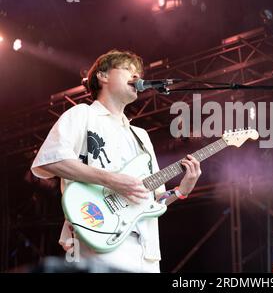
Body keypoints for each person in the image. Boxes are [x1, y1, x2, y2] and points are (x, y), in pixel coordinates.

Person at [30, 49, 202, 272]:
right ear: (103, 76)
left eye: (138, 73)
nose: (136, 77)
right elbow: (49, 161)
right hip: (97, 237)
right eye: (128, 70)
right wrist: (112, 180)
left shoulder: (141, 136)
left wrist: (180, 191)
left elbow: (154, 201)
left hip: (145, 252)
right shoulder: (82, 115)